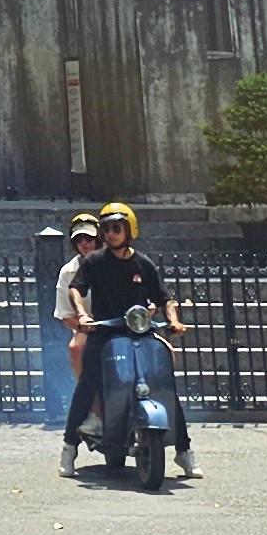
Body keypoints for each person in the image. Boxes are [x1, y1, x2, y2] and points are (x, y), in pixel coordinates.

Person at [58, 202, 182, 476]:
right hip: (105, 332)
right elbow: (76, 290)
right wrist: (83, 316)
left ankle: (184, 450)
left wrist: (172, 320)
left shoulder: (143, 264)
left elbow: (165, 298)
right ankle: (69, 447)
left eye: (117, 228)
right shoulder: (94, 262)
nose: (111, 233)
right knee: (88, 382)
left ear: (130, 230)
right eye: (107, 229)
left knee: (165, 381)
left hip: (139, 331)